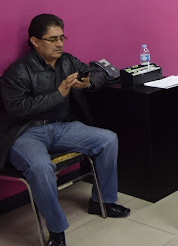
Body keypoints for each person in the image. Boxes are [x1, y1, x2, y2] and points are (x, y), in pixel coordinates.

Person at [0, 14, 130, 246]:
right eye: (52, 39)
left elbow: (99, 72)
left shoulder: (67, 61)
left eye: (62, 37)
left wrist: (89, 82)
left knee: (108, 139)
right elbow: (17, 109)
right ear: (34, 41)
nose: (60, 44)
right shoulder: (17, 71)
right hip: (26, 133)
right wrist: (58, 94)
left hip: (62, 127)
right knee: (40, 167)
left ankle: (104, 202)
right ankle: (57, 230)